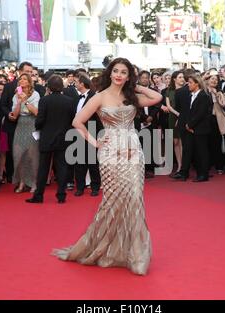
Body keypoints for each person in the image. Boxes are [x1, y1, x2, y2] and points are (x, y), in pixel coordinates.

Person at [52, 58, 162, 276]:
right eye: (116, 71)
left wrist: (135, 85)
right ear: (109, 73)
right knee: (113, 201)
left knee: (134, 199)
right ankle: (106, 248)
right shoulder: (99, 97)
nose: (119, 75)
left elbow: (157, 97)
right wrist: (95, 142)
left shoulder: (132, 97)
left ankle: (137, 255)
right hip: (111, 155)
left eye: (124, 72)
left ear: (129, 76)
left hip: (133, 154)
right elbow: (77, 122)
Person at [25, 75, 76, 204]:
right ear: (62, 86)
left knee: (43, 168)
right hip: (64, 138)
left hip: (47, 138)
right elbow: (72, 120)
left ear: (49, 87)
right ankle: (61, 195)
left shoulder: (44, 101)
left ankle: (39, 196)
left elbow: (40, 120)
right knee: (62, 167)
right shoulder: (69, 101)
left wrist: (39, 128)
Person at [10, 74, 40, 193]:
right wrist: (18, 101)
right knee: (19, 155)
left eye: (24, 79)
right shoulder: (15, 95)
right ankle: (22, 182)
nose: (21, 81)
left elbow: (37, 112)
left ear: (29, 82)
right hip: (20, 125)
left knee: (32, 156)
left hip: (32, 124)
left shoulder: (35, 94)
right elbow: (15, 115)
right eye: (20, 79)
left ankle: (33, 183)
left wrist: (25, 101)